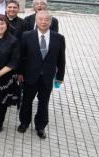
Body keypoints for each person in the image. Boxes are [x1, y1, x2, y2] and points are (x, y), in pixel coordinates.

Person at [18, 10, 65, 139]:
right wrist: (20, 72)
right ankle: (24, 123)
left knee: (44, 102)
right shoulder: (27, 35)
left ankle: (40, 126)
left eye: (47, 20)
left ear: (51, 22)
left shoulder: (58, 38)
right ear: (36, 21)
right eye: (41, 19)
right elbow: (22, 56)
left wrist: (60, 77)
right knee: (26, 101)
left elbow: (61, 59)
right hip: (29, 75)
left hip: (47, 77)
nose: (43, 22)